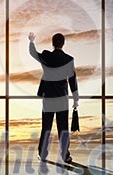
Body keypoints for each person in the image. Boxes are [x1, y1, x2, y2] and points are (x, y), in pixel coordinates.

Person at [28, 32, 79, 163]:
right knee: (63, 128)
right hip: (62, 98)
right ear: (63, 43)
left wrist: (31, 41)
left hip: (48, 98)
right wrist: (75, 98)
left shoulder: (46, 57)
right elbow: (72, 80)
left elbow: (33, 53)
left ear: (52, 43)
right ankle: (65, 155)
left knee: (46, 127)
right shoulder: (69, 59)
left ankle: (43, 154)